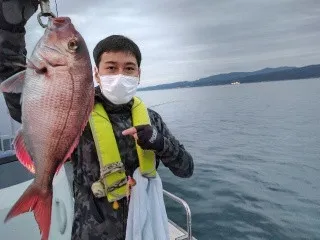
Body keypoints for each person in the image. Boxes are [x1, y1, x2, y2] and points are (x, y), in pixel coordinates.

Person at [0, 1, 194, 240]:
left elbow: (186, 168)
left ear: (139, 74)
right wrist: (11, 25)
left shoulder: (152, 119)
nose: (120, 75)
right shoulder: (79, 110)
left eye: (129, 68)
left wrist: (159, 142)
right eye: (111, 67)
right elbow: (14, 87)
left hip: (146, 229)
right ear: (96, 73)